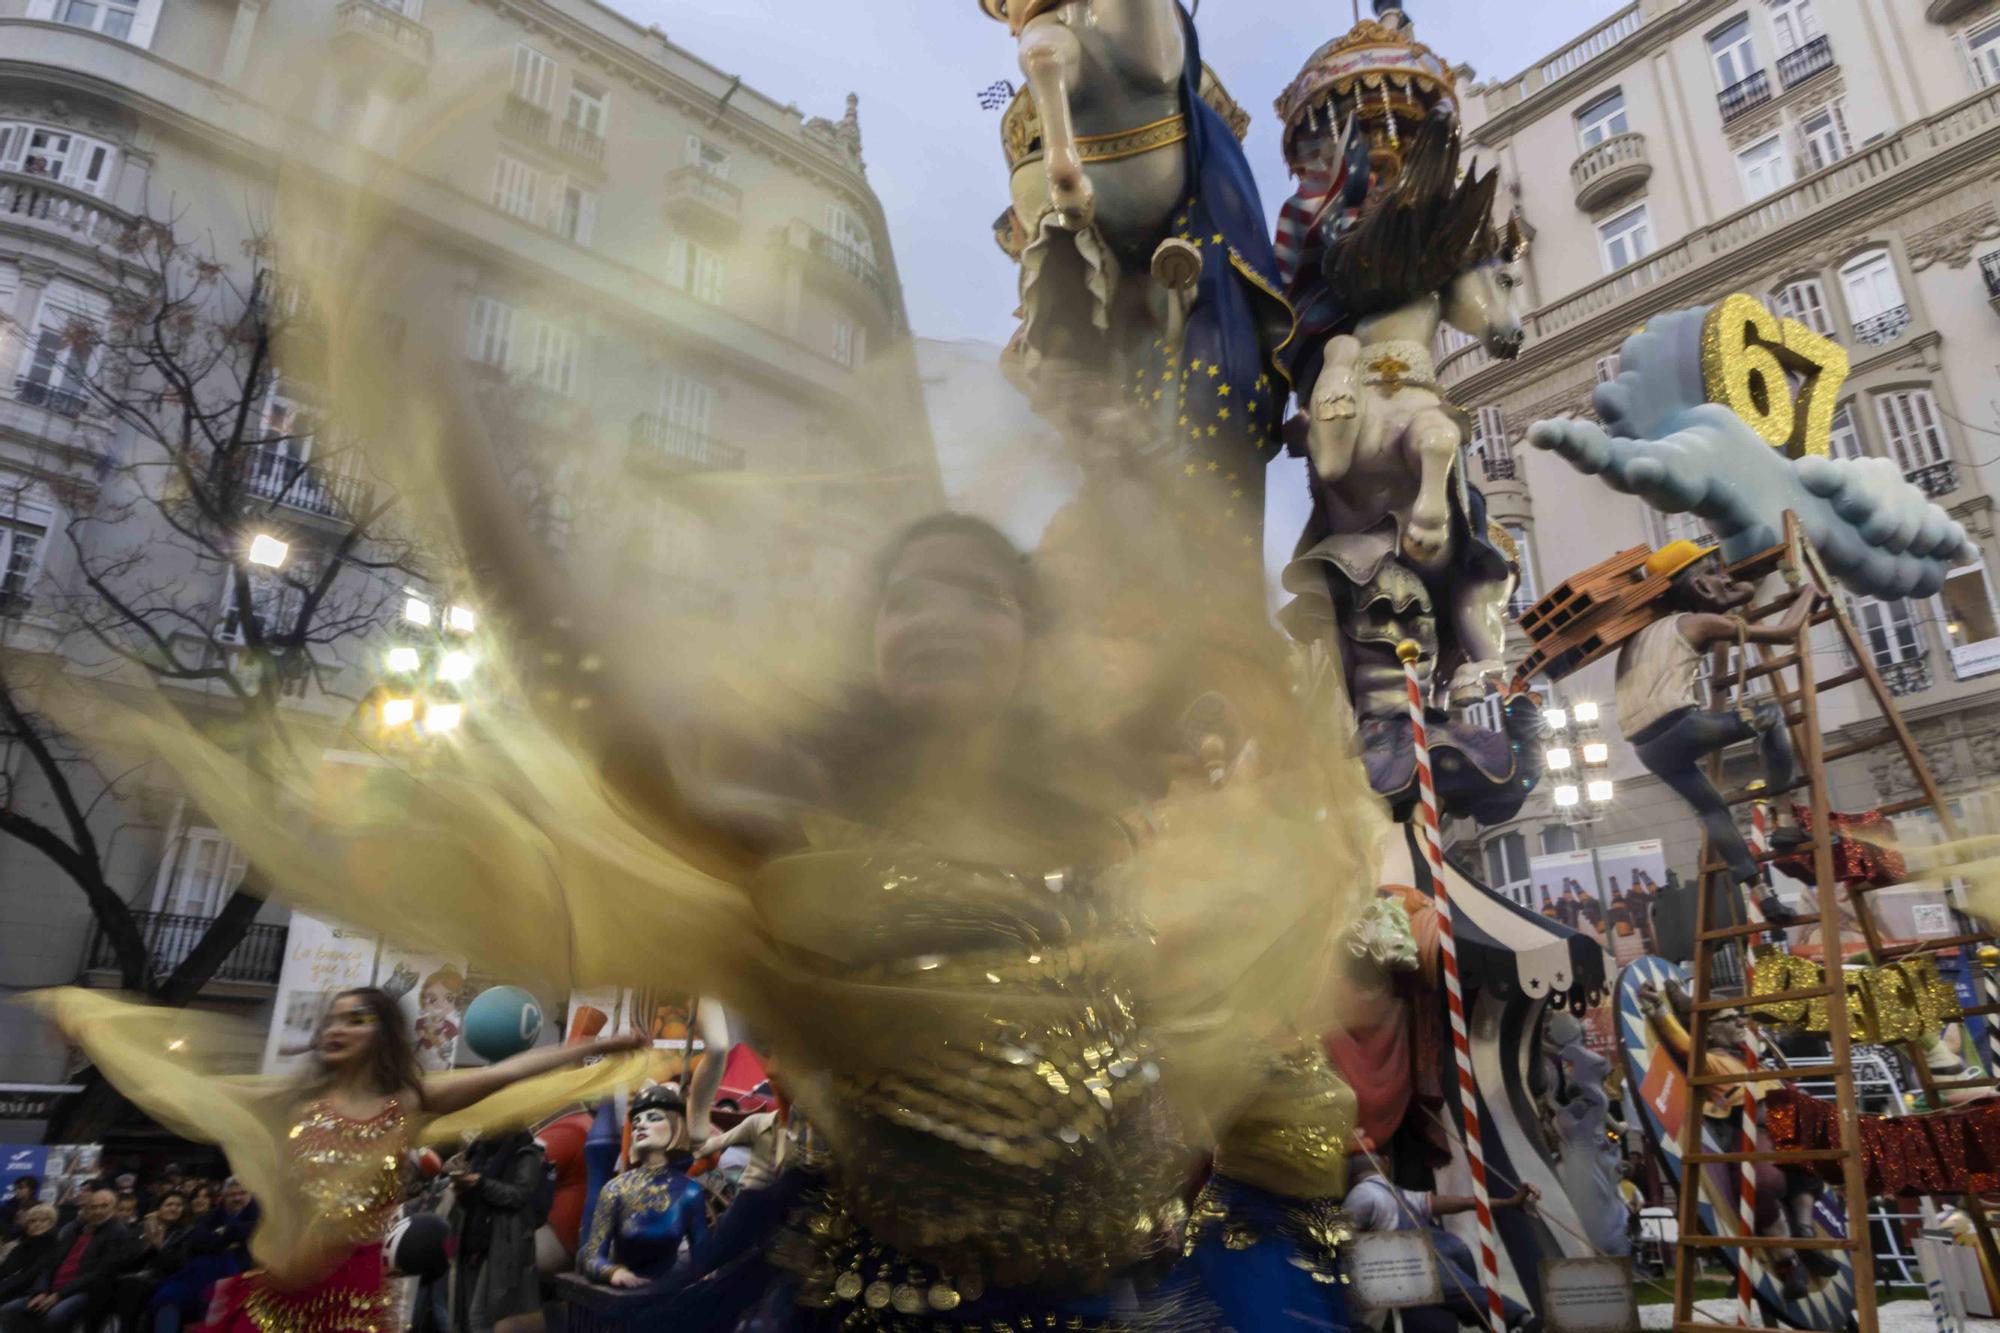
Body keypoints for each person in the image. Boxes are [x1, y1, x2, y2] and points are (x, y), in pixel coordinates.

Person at [30, 988, 646, 1333]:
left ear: (383, 1035)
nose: (339, 1027)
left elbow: (508, 1072)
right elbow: (182, 1087)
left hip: (352, 1302)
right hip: (276, 1298)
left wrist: (602, 1045)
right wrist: (96, 1035)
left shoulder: (410, 1101)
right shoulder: (291, 1099)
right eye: (333, 1018)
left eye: (357, 1018)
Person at [1614, 541, 1813, 921]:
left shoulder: (1638, 638)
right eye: (1717, 573)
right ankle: (1784, 821)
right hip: (1682, 726)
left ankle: (1762, 893)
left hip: (1646, 747)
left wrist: (1739, 588)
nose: (1726, 579)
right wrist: (1808, 594)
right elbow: (1787, 632)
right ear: (1701, 586)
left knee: (1711, 809)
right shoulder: (1695, 622)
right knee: (1769, 715)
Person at [1344, 1151, 1541, 1333]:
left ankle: (1511, 1317)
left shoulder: (1399, 1195)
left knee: (1450, 1251)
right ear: (1385, 1163)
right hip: (1387, 1272)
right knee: (1440, 1269)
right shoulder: (1364, 1195)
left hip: (1409, 1273)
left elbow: (1462, 1202)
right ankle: (1518, 1318)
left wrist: (1508, 1203)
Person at [579, 1086, 706, 1289]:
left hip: (667, 1293)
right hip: (621, 1294)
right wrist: (614, 1272)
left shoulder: (690, 1192)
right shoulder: (616, 1189)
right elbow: (591, 1257)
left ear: (675, 1125)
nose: (641, 1125)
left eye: (653, 1118)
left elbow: (702, 1260)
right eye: (636, 1121)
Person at [446, 1131, 546, 1333]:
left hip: (505, 1241)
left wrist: (480, 1184)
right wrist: (464, 1190)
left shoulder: (526, 1153)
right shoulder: (481, 1151)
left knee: (482, 1316)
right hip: (476, 1239)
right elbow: (475, 1199)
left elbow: (519, 1195)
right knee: (469, 1314)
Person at [0, 1186, 134, 1333]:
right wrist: (41, 1291)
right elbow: (50, 1265)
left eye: (104, 1207)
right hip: (50, 1290)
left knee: (54, 1315)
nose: (98, 1211)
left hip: (83, 1292)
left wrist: (59, 1295)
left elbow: (99, 1272)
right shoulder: (74, 1231)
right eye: (94, 1207)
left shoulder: (117, 1233)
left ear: (114, 1209)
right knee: (9, 1310)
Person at [144, 1180, 257, 1333]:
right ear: (223, 1196)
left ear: (250, 1195)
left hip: (242, 1274)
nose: (237, 1198)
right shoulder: (212, 1216)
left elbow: (252, 1232)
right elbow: (199, 1241)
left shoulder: (260, 1215)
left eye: (242, 1193)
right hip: (200, 1272)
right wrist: (228, 1238)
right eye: (232, 1194)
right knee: (168, 1297)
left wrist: (223, 1232)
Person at [0, 1208, 56, 1304]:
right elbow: (4, 1270)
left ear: (51, 1224)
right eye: (32, 1221)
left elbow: (29, 1276)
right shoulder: (19, 1248)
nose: (37, 1224)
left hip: (27, 1293)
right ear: (27, 1226)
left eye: (43, 1220)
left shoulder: (54, 1247)